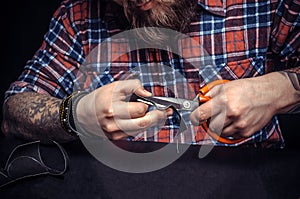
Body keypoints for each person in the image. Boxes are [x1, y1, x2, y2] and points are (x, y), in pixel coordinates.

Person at [1, 0, 299, 148]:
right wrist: (74, 115)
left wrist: (279, 90)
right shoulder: (78, 15)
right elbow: (13, 112)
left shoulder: (265, 4)